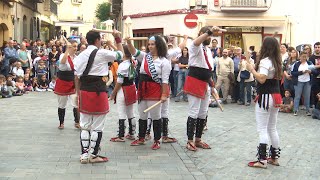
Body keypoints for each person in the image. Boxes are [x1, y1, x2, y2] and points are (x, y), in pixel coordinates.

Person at [74, 30, 123, 164]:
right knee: (97, 125)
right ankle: (93, 155)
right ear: (97, 40)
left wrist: (78, 93)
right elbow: (120, 54)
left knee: (84, 124)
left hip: (84, 91)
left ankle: (84, 155)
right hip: (98, 90)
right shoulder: (102, 53)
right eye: (100, 39)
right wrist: (117, 38)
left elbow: (77, 76)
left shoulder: (80, 55)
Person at [126, 35, 171, 150]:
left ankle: (157, 140)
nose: (150, 46)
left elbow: (165, 80)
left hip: (155, 89)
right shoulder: (145, 56)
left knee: (156, 116)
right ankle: (141, 137)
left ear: (159, 45)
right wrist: (129, 42)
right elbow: (134, 51)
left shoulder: (164, 61)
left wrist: (164, 94)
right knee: (142, 114)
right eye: (149, 44)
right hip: (142, 88)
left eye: (153, 44)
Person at [183, 26, 223, 151]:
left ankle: (198, 139)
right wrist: (209, 31)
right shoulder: (194, 46)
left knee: (203, 112)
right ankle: (189, 141)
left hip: (205, 83)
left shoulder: (207, 50)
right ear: (201, 34)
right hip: (195, 81)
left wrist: (212, 85)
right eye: (207, 35)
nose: (209, 37)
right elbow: (196, 42)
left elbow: (208, 69)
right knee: (194, 112)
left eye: (210, 36)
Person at [246, 37, 282, 168]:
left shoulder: (266, 61)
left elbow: (262, 79)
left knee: (262, 129)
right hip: (275, 95)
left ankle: (262, 160)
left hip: (266, 96)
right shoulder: (276, 61)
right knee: (272, 128)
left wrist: (252, 70)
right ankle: (274, 158)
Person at [110, 45, 137, 142]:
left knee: (121, 112)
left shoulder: (122, 66)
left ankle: (121, 135)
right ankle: (132, 133)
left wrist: (113, 93)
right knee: (130, 111)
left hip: (123, 89)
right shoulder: (133, 61)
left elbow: (119, 82)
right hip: (132, 87)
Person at [54, 40, 80, 129]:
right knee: (62, 104)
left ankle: (77, 122)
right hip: (63, 82)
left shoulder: (77, 58)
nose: (76, 48)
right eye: (74, 46)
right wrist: (67, 51)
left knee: (76, 103)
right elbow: (63, 62)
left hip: (72, 82)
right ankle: (61, 122)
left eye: (76, 46)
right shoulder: (63, 55)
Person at [291, 52, 314, 116]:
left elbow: (315, 71)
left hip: (307, 81)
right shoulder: (296, 64)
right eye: (303, 56)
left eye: (305, 57)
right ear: (300, 57)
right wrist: (301, 72)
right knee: (297, 96)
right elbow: (293, 73)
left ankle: (307, 110)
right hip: (298, 81)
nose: (304, 58)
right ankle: (295, 110)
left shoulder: (309, 63)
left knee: (307, 96)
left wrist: (311, 71)